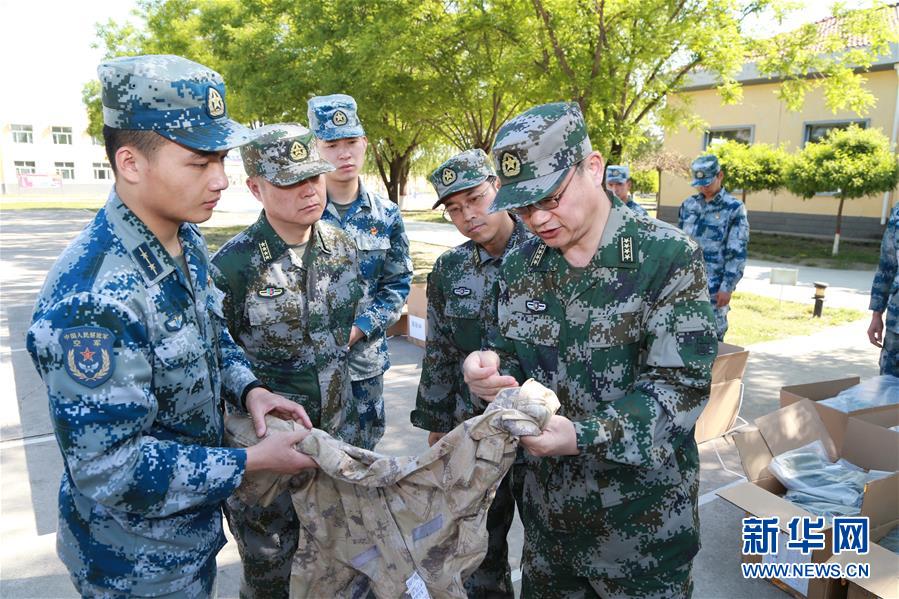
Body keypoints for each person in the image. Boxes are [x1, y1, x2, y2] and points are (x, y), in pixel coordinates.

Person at [25, 54, 316, 598]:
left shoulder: (184, 242)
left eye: (222, 159)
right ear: (131, 163)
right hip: (133, 565)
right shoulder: (94, 297)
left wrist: (249, 389)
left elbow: (213, 336)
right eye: (199, 162)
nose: (221, 180)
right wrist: (251, 461)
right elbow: (109, 467)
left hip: (187, 542)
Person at [461, 102, 718, 598]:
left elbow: (678, 391)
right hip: (548, 533)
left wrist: (582, 435)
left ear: (593, 167)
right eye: (521, 206)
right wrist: (488, 373)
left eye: (549, 199)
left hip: (641, 534)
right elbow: (511, 354)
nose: (536, 218)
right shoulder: (524, 262)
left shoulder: (665, 256)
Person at [211, 123, 363, 598]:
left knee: (343, 567)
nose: (308, 191)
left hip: (335, 444)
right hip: (269, 466)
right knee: (272, 576)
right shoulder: (233, 266)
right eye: (289, 182)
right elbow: (216, 359)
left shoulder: (342, 247)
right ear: (255, 188)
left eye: (313, 178)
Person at [410, 148, 532, 597]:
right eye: (455, 209)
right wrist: (436, 427)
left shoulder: (547, 255)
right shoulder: (450, 269)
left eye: (475, 199)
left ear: (498, 188)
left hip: (541, 431)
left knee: (545, 549)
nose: (467, 216)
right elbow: (439, 354)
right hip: (476, 433)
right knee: (478, 545)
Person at [307, 93, 413, 451]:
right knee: (313, 459)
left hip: (365, 365)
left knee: (365, 455)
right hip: (308, 369)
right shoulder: (301, 213)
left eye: (351, 142)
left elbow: (397, 285)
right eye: (332, 144)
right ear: (315, 148)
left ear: (365, 144)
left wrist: (361, 327)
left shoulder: (386, 216)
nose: (344, 154)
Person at [677, 154, 749, 341]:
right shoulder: (688, 205)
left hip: (714, 290)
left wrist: (728, 286)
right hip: (685, 287)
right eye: (700, 183)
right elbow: (678, 245)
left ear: (720, 176)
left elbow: (737, 251)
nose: (704, 187)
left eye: (708, 183)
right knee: (683, 340)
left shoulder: (734, 208)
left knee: (711, 341)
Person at [868, 203, 899, 375]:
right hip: (896, 325)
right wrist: (876, 313)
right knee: (888, 387)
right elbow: (887, 265)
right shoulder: (898, 213)